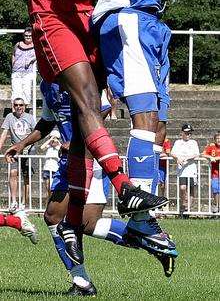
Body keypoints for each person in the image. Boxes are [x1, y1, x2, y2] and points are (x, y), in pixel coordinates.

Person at [22, 0, 168, 265]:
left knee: (96, 130)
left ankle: (80, 267)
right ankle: (125, 186)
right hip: (54, 16)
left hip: (91, 17)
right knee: (85, 102)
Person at [66, 0, 203, 244]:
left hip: (153, 24)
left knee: (159, 122)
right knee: (142, 114)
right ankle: (138, 213)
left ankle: (144, 212)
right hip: (127, 18)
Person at [5, 81, 177, 297]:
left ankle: (148, 241)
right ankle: (82, 280)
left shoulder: (78, 74)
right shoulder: (47, 86)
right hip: (68, 161)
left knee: (86, 223)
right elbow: (48, 121)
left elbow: (102, 108)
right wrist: (23, 144)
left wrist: (78, 140)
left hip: (90, 158)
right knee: (54, 217)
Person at [0, 98, 35, 211]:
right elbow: (4, 133)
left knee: (26, 177)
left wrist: (27, 146)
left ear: (24, 106)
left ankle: (23, 204)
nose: (18, 107)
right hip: (14, 149)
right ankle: (14, 201)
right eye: (16, 105)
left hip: (29, 149)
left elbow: (36, 133)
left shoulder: (30, 118)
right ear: (13, 106)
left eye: (21, 105)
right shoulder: (10, 117)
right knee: (13, 173)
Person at [171, 123, 200, 216]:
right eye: (187, 133)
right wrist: (177, 158)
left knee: (191, 189)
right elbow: (173, 153)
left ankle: (188, 209)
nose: (188, 135)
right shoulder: (178, 142)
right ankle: (184, 203)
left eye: (190, 133)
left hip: (191, 169)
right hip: (182, 170)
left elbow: (196, 154)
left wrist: (186, 158)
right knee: (182, 188)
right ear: (182, 133)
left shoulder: (193, 142)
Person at [11, 27, 36, 109]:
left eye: (30, 35)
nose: (28, 37)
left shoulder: (36, 46)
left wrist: (31, 60)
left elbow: (39, 56)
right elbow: (13, 54)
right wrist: (13, 64)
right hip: (16, 72)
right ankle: (14, 112)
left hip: (28, 73)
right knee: (16, 92)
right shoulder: (18, 44)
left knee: (26, 92)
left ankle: (24, 112)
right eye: (26, 35)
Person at [202, 131, 220, 213]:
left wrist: (218, 158)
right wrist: (210, 157)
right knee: (215, 188)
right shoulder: (212, 146)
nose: (219, 140)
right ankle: (216, 205)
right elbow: (203, 154)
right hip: (215, 173)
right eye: (217, 139)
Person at [40, 129, 61, 198]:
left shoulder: (59, 147)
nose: (54, 140)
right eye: (52, 138)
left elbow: (62, 148)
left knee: (53, 189)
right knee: (48, 188)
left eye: (56, 138)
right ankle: (48, 203)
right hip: (47, 169)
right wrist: (50, 140)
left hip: (55, 169)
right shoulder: (48, 147)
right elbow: (41, 148)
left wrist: (57, 141)